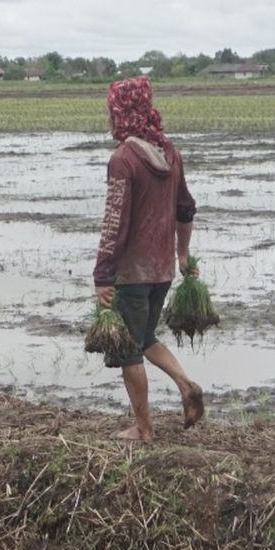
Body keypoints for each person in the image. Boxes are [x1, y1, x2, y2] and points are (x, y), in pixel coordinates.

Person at [94, 76, 202, 441]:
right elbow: (186, 209)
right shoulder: (170, 152)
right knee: (145, 336)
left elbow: (114, 222)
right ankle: (186, 384)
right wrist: (182, 254)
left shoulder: (124, 159)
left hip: (132, 272)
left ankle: (143, 428)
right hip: (163, 270)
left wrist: (103, 275)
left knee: (128, 350)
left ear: (120, 113)